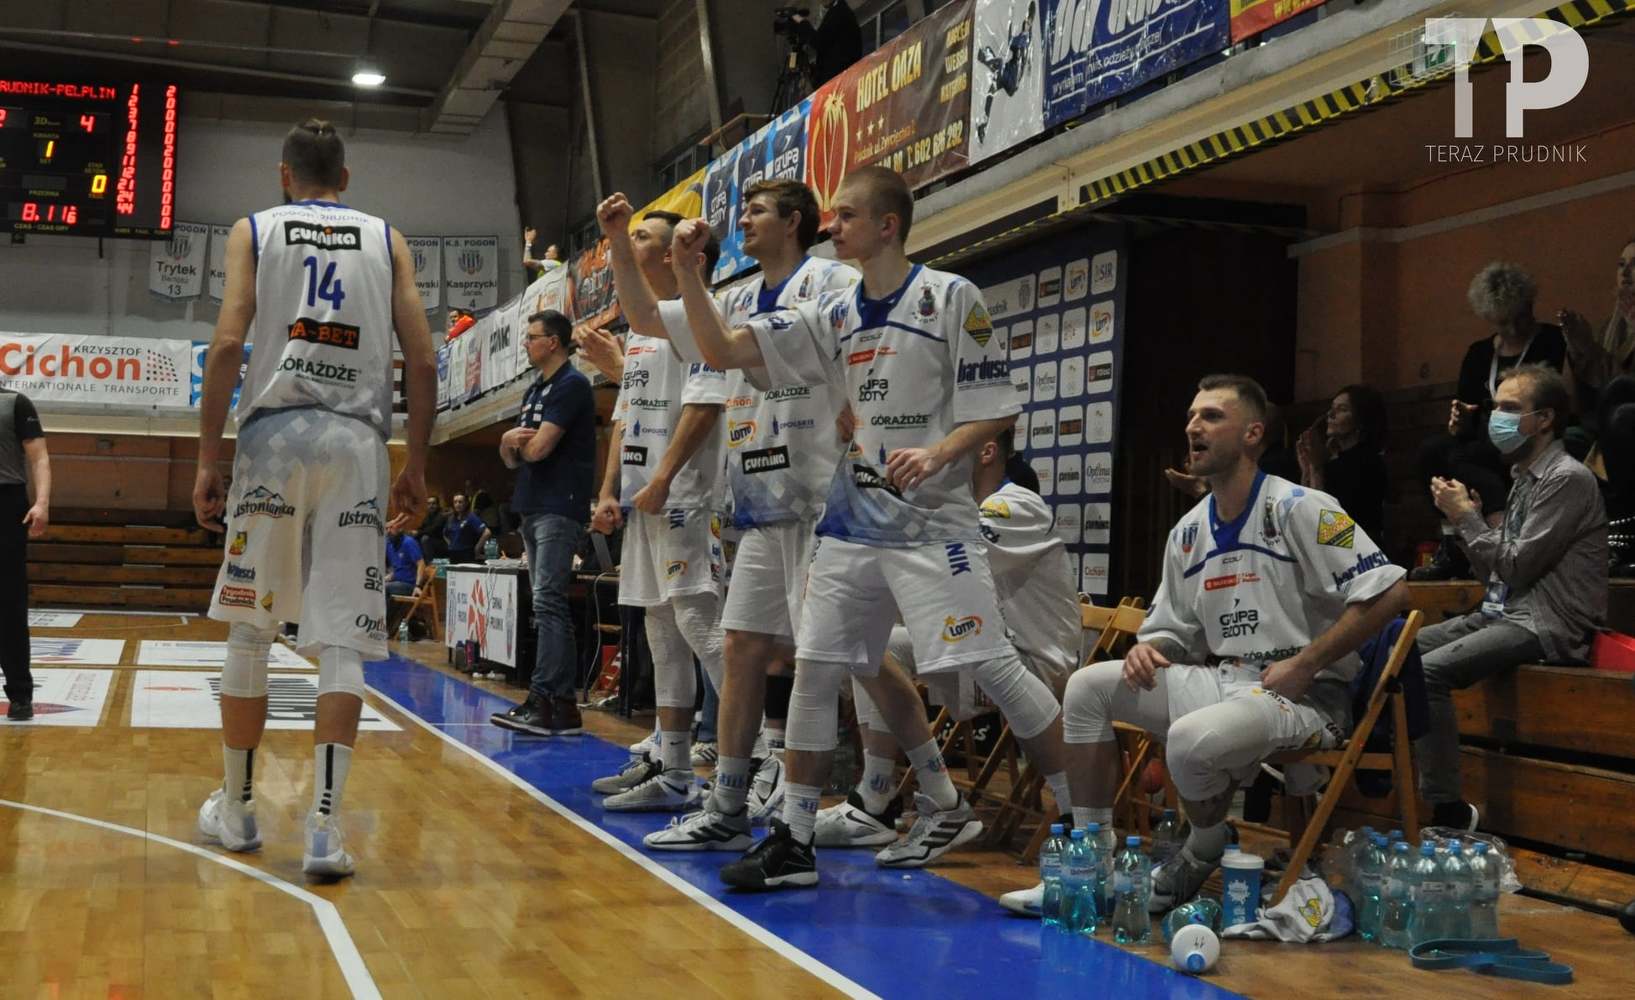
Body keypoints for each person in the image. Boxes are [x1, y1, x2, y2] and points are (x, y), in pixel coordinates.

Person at [661, 166, 1071, 889]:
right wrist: (688, 273)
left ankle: (1083, 828)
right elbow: (721, 349)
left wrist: (939, 452)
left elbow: (997, 408)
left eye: (846, 215)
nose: (832, 226)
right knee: (818, 666)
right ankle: (793, 840)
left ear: (888, 225)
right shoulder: (831, 312)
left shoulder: (951, 296)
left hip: (931, 523)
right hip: (850, 522)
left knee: (993, 668)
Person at [1027, 374, 1409, 916]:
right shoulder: (1187, 530)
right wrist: (1149, 647)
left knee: (1189, 740)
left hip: (1304, 694)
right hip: (1227, 679)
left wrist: (1307, 662)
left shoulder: (1302, 507)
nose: (1193, 426)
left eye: (1211, 416)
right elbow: (1173, 630)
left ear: (1253, 434)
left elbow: (1392, 591)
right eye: (1191, 416)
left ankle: (1204, 846)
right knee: (1088, 687)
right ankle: (1092, 865)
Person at [191, 117, 435, 879]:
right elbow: (424, 358)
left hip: (273, 440)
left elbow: (226, 345)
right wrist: (417, 463)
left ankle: (238, 810)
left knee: (250, 631)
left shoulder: (255, 228)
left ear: (283, 174)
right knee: (342, 641)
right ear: (346, 178)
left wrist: (207, 457)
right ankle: (325, 829)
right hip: (356, 444)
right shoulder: (387, 237)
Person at [598, 179, 861, 852]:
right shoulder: (737, 298)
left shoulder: (831, 281)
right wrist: (628, 248)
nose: (743, 219)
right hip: (759, 504)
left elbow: (864, 352)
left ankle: (873, 794)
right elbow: (647, 318)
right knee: (741, 646)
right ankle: (728, 803)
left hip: (822, 499)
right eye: (741, 210)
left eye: (757, 210)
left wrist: (860, 409)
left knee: (833, 658)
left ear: (794, 222)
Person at [824, 423, 1080, 854]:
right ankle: (875, 798)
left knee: (986, 655)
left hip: (1036, 660)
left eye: (950, 445)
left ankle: (1079, 817)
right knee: (870, 643)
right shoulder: (965, 508)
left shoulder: (1015, 504)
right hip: (983, 642)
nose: (938, 454)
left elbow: (938, 564)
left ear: (986, 451)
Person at [1415, 364, 1606, 831]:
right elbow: (1497, 573)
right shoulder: (1524, 478)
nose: (1496, 418)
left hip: (1548, 622)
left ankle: (1448, 809)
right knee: (1398, 649)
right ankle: (1381, 760)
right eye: (1496, 406)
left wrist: (1468, 519)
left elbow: (1518, 567)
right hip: (1505, 610)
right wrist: (1467, 522)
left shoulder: (1567, 478)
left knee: (1427, 671)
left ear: (1544, 419)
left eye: (1509, 408)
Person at [586, 210, 729, 812]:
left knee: (699, 625)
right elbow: (625, 415)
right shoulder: (644, 325)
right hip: (644, 501)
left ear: (674, 254)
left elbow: (707, 405)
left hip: (686, 497)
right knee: (660, 630)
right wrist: (609, 491)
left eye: (644, 235)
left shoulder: (699, 315)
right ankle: (672, 769)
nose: (632, 241)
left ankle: (754, 760)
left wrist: (666, 476)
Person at [1414, 262, 1568, 580]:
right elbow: (1465, 411)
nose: (1511, 328)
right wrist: (1460, 420)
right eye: (1502, 321)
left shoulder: (1552, 341)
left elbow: (1562, 398)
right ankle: (1455, 541)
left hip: (1528, 430)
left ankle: (1496, 531)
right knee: (1432, 452)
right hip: (1484, 433)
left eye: (1518, 318)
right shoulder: (1479, 353)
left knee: (1465, 459)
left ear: (1528, 307)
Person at [490, 309, 598, 737]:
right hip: (533, 504)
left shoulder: (572, 384)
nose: (525, 344)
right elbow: (510, 458)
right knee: (544, 603)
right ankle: (562, 706)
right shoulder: (535, 388)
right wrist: (507, 442)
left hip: (559, 504)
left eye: (532, 337)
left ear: (553, 341)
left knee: (549, 601)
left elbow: (537, 450)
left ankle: (545, 698)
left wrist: (516, 445)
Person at [1561, 236, 1635, 560]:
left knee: (1622, 413)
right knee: (1568, 439)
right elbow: (1585, 403)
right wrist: (1581, 350)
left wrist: (1594, 354)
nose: (1626, 274)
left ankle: (1623, 524)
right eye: (1621, 265)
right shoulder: (1612, 327)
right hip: (1607, 429)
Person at [0, 387, 49, 722]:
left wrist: (42, 502)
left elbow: (39, 457)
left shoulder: (14, 403)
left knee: (9, 603)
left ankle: (20, 695)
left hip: (6, 503)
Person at [1297, 384, 1390, 540]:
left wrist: (1316, 467)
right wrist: (1308, 468)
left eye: (1342, 409)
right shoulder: (1335, 461)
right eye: (1332, 408)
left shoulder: (1367, 463)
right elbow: (1304, 511)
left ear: (1361, 419)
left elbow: (1333, 530)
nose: (1330, 414)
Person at [974, 0, 1035, 146]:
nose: (1025, 23)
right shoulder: (1026, 38)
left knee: (998, 63)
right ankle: (984, 124)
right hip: (1009, 74)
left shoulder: (1024, 38)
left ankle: (983, 57)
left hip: (1011, 80)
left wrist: (1010, 20)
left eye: (1027, 21)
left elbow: (1010, 42)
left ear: (1029, 21)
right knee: (993, 85)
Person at [383, 526, 425, 638]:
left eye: (391, 528)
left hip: (409, 585)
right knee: (376, 586)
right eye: (386, 528)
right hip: (396, 582)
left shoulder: (408, 542)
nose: (388, 531)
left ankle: (384, 627)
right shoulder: (389, 544)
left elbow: (421, 564)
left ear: (400, 529)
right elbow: (398, 568)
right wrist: (387, 577)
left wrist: (418, 586)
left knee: (385, 589)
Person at [442, 493, 490, 564]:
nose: (457, 504)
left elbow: (487, 532)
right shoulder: (451, 518)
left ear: (466, 503)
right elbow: (445, 533)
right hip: (453, 553)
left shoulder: (471, 517)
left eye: (460, 502)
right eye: (455, 502)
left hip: (467, 553)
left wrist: (477, 549)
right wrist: (450, 544)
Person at [416, 495, 447, 559]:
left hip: (440, 542)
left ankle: (429, 562)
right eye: (429, 504)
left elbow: (433, 530)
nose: (431, 506)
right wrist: (415, 533)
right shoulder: (428, 516)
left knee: (425, 539)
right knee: (412, 538)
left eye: (433, 503)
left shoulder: (441, 516)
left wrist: (419, 533)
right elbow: (422, 527)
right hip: (430, 540)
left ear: (438, 505)